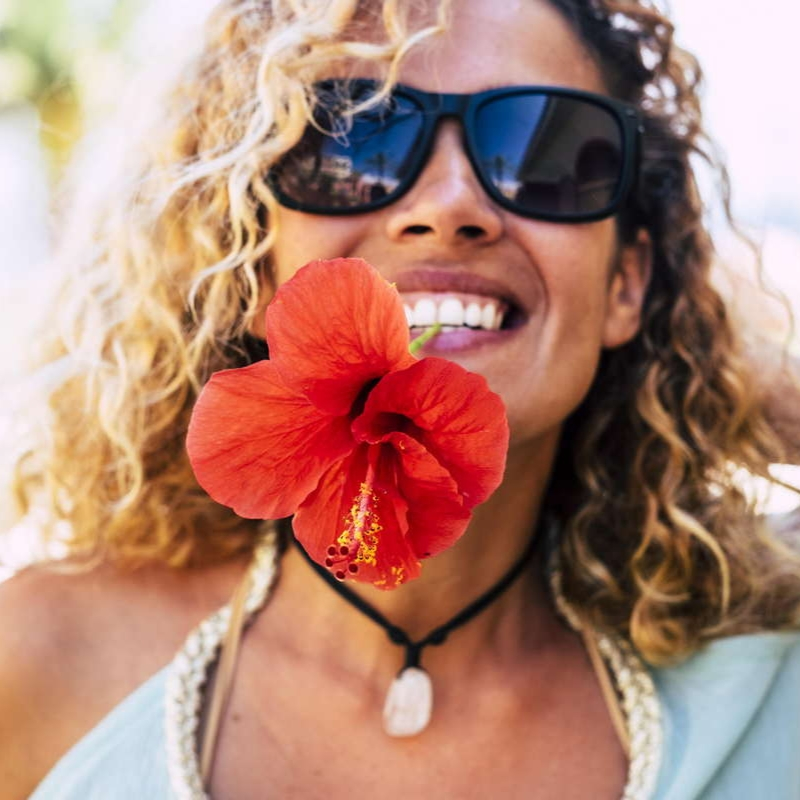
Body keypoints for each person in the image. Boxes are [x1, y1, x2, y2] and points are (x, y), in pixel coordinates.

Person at [2, 0, 799, 797]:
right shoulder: (41, 658)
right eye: (353, 139)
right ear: (251, 268)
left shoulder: (765, 677)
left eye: (543, 148)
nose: (447, 205)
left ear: (626, 285)